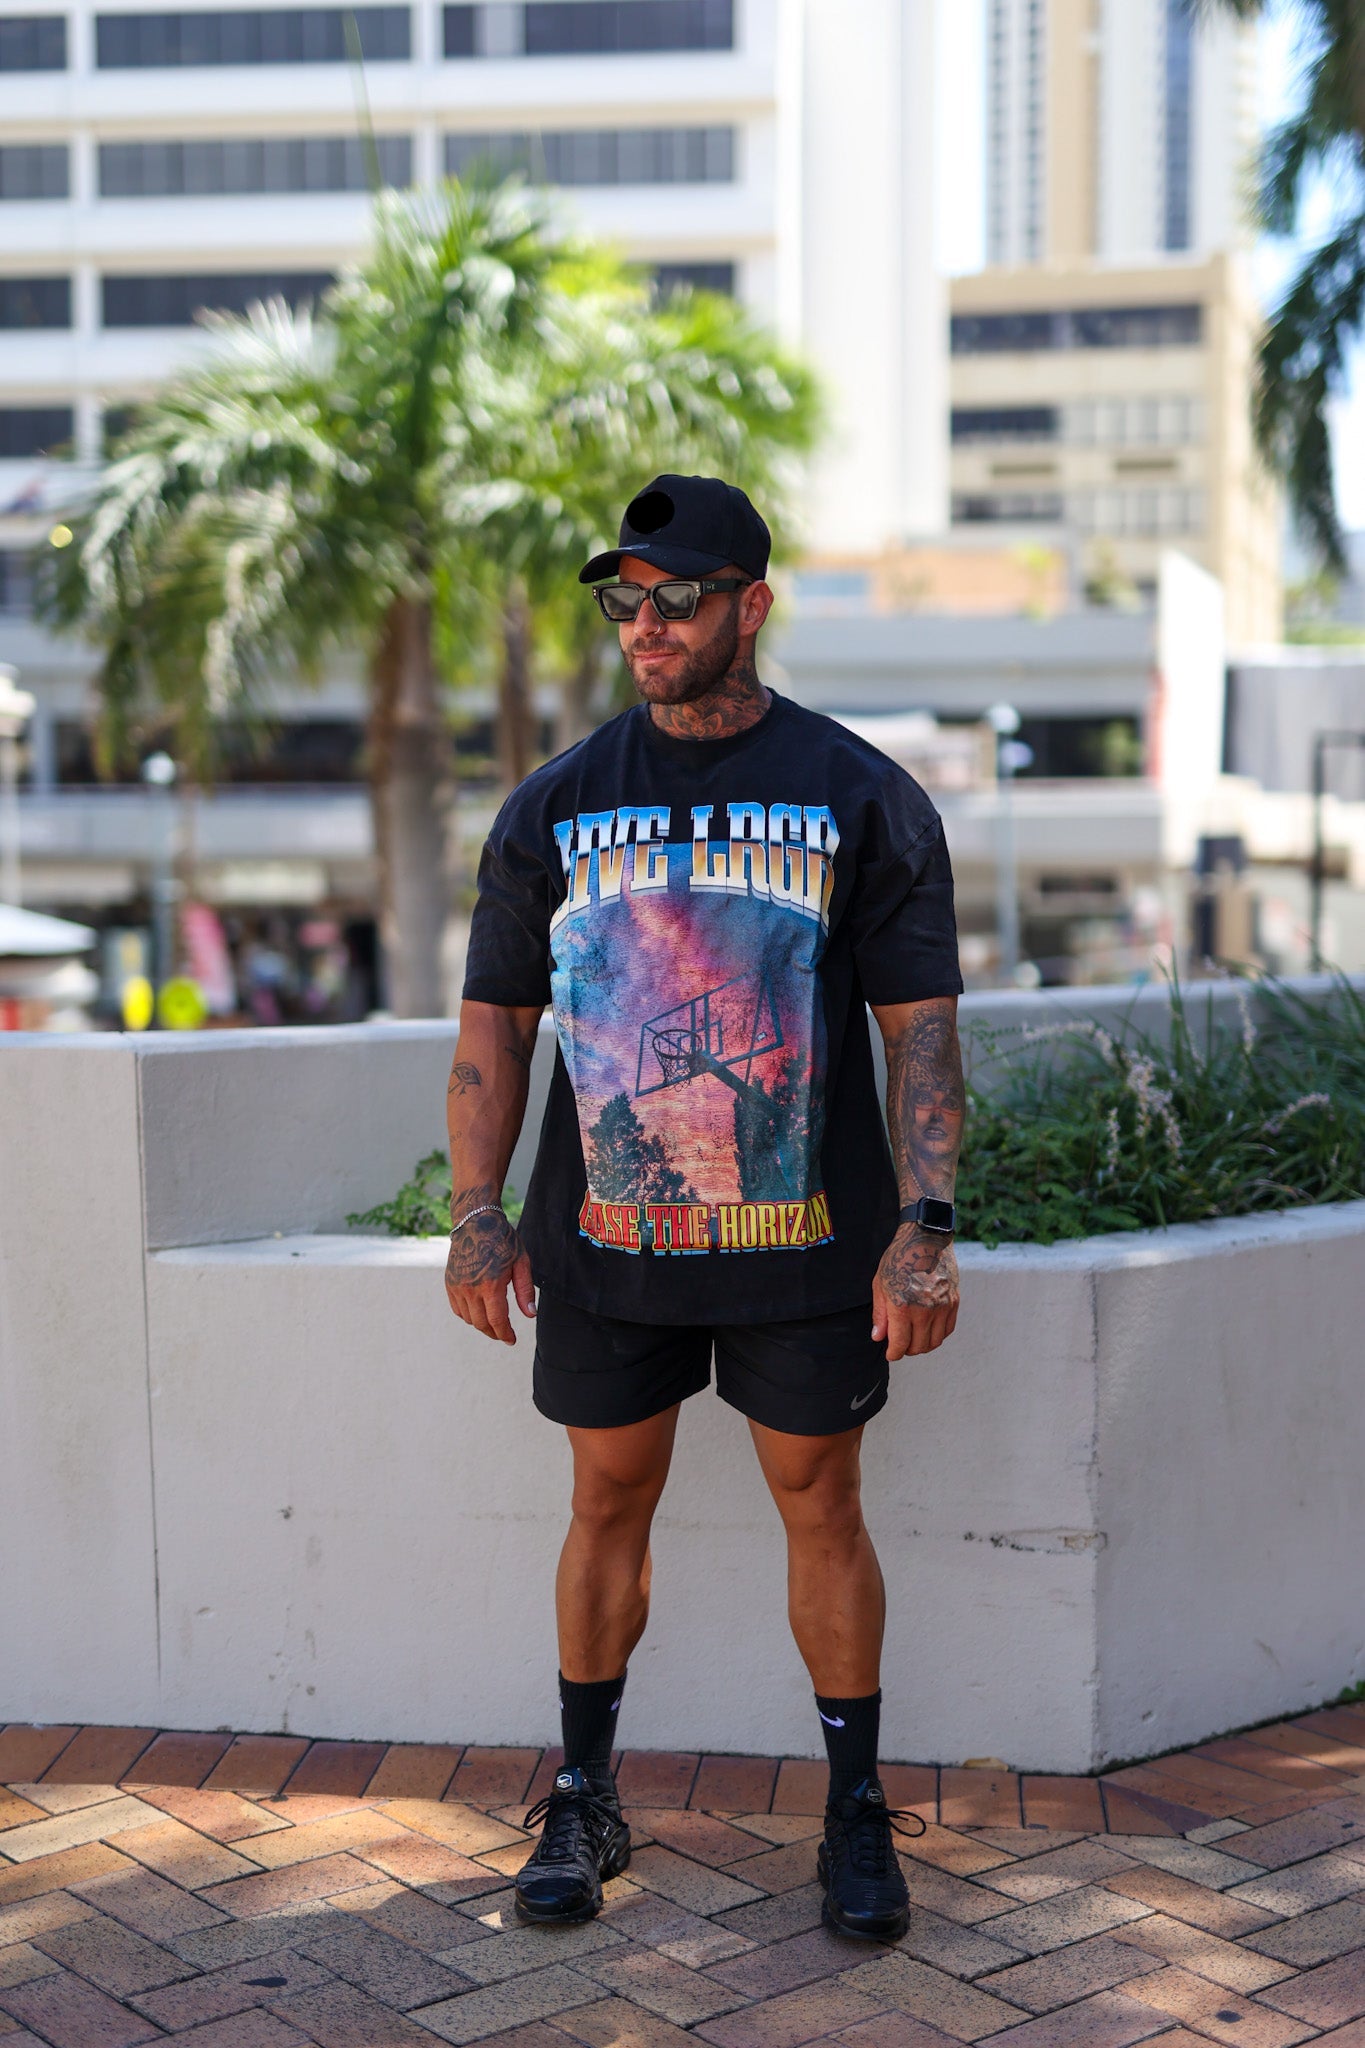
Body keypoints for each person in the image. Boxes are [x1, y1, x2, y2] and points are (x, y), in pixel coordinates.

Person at [446, 474, 964, 1942]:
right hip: (605, 1247)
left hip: (807, 1253)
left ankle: (853, 1810)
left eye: (678, 597)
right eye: (625, 600)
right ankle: (584, 1795)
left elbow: (920, 1033)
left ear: (751, 605)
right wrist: (477, 1211)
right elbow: (493, 1030)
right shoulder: (553, 805)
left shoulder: (861, 793)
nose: (646, 623)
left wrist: (925, 1224)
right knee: (605, 1501)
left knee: (823, 1507)